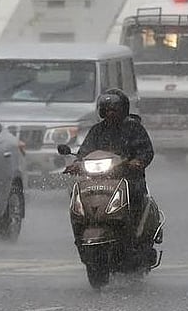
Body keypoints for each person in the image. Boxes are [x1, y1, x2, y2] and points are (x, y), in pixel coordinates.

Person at [67, 88, 158, 236]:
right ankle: (81, 225)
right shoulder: (97, 130)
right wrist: (77, 163)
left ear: (123, 110)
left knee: (134, 193)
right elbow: (85, 151)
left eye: (114, 110)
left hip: (127, 177)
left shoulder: (134, 128)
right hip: (97, 179)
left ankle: (135, 230)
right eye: (106, 110)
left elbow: (146, 151)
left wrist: (137, 161)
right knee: (75, 192)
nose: (110, 113)